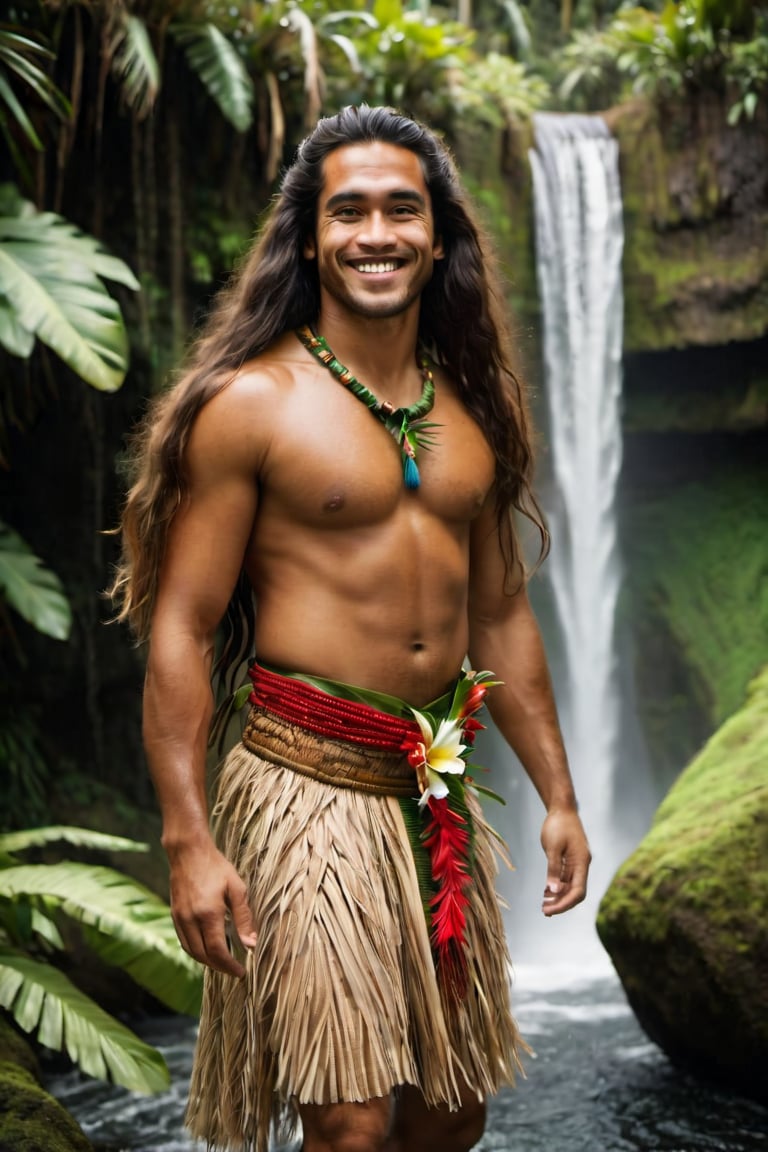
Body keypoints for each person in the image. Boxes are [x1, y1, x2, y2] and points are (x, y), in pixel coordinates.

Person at [111, 104, 591, 1152]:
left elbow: (502, 611)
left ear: (439, 233)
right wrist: (188, 837)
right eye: (351, 211)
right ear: (310, 234)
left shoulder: (477, 406)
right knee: (348, 1120)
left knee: (448, 1117)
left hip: (433, 789)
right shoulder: (253, 403)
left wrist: (558, 795)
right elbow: (183, 627)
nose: (377, 233)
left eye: (402, 210)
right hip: (300, 785)